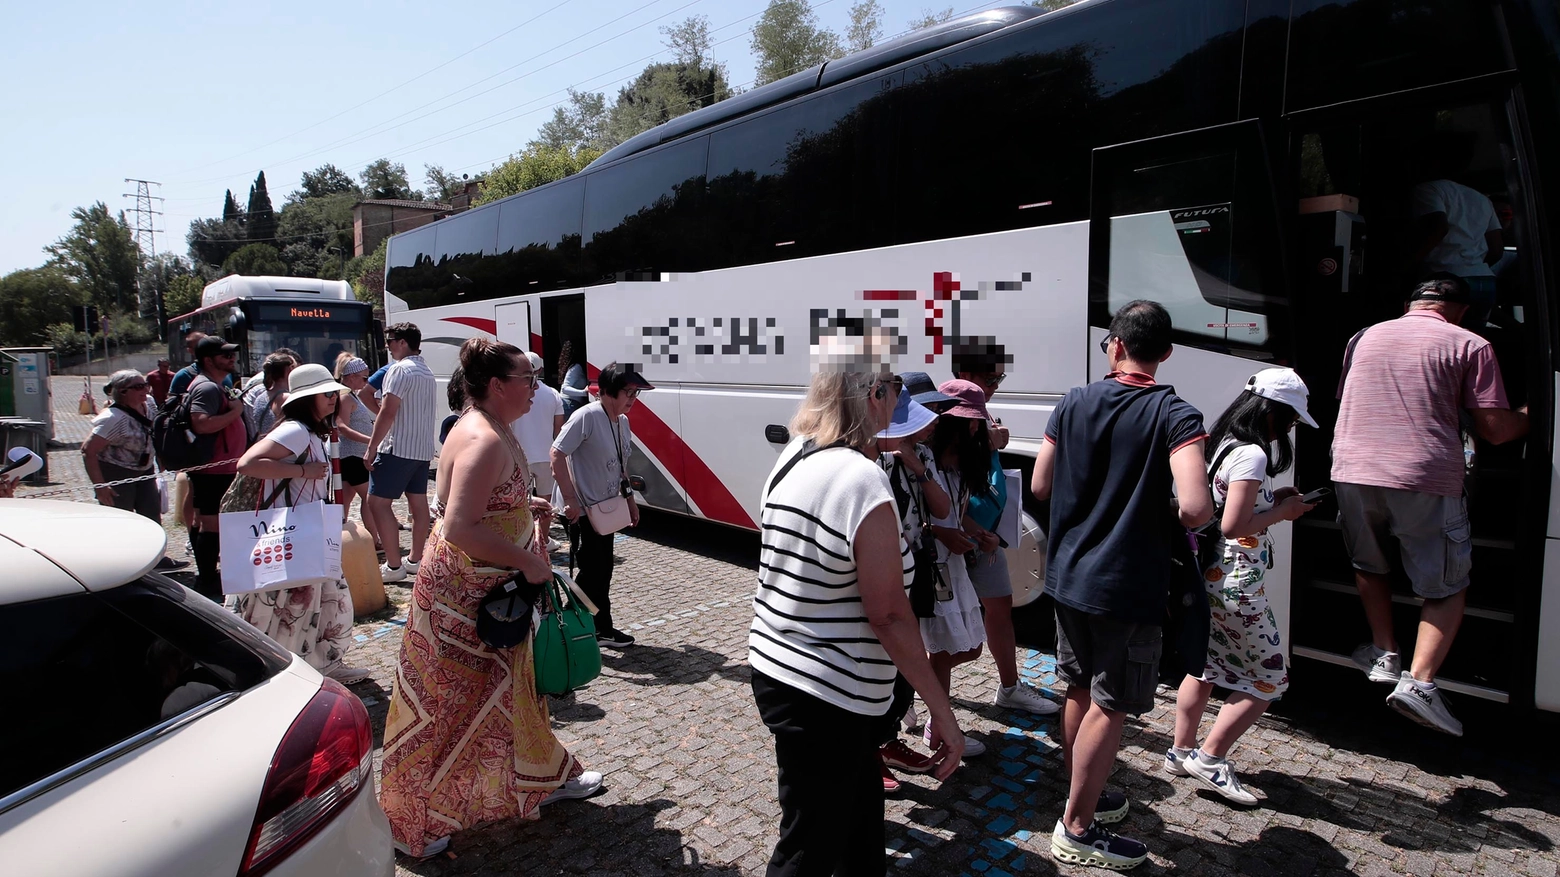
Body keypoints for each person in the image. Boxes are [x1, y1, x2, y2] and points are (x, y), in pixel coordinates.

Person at [379, 338, 601, 859]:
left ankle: (545, 773)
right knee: (448, 704)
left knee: (514, 692)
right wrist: (528, 560)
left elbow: (482, 498)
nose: (536, 388)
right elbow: (458, 524)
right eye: (527, 379)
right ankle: (415, 818)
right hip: (468, 596)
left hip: (482, 590)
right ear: (498, 385)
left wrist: (525, 503)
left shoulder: (484, 423)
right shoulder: (482, 437)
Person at [749, 338, 963, 876]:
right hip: (827, 691)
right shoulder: (860, 478)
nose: (896, 401)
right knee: (809, 845)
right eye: (892, 389)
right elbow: (889, 614)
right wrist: (941, 709)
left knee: (858, 822)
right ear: (874, 393)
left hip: (790, 672)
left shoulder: (794, 454)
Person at [1030, 300, 1212, 870]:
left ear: (1113, 345)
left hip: (1068, 576)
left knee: (1077, 689)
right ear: (1166, 352)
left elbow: (1040, 483)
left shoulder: (1072, 402)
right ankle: (1077, 828)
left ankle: (1080, 794)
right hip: (1126, 586)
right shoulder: (1176, 415)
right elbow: (1195, 508)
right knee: (1110, 704)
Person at [1333, 277, 1528, 736]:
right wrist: (1533, 414)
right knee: (1445, 586)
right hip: (1424, 476)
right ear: (1460, 310)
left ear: (1409, 304)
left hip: (1351, 466)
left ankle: (1385, 651)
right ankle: (1419, 683)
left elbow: (1349, 399)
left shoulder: (1363, 336)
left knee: (1369, 561)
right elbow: (1496, 430)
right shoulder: (1471, 343)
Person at [1168, 368, 1318, 805]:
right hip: (1237, 582)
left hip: (1210, 572)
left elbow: (1223, 506)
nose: (1290, 427)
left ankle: (1180, 751)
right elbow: (1235, 524)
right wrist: (1284, 513)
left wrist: (1273, 499)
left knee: (1206, 665)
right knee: (1270, 678)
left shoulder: (1224, 444)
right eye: (1290, 418)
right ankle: (1211, 758)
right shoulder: (1252, 454)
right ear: (1272, 412)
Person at [233, 364, 369, 685]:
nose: (334, 399)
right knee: (298, 610)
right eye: (326, 394)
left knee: (324, 604)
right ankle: (299, 672)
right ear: (307, 399)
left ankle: (320, 665)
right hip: (294, 533)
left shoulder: (309, 431)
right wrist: (303, 472)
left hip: (308, 530)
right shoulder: (294, 430)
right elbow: (248, 464)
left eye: (334, 393)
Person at [951, 343, 1058, 718]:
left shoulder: (982, 413)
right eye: (990, 378)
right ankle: (919, 693)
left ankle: (1010, 688)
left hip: (988, 537)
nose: (996, 384)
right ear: (966, 376)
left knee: (1000, 610)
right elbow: (943, 489)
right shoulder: (949, 416)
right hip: (962, 540)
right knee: (949, 630)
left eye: (1000, 377)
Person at [874, 381, 950, 792]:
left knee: (909, 653)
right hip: (882, 570)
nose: (933, 422)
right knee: (882, 657)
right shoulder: (873, 459)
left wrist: (918, 468)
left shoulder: (921, 455)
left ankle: (888, 742)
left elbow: (942, 508)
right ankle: (874, 746)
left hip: (917, 563)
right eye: (926, 413)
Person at [918, 380, 998, 759]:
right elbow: (905, 518)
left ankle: (927, 710)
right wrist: (941, 534)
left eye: (975, 422)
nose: (973, 428)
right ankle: (937, 727)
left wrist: (980, 533)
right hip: (926, 566)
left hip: (952, 568)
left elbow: (957, 511)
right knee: (946, 649)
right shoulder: (922, 459)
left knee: (965, 647)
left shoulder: (961, 463)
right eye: (967, 421)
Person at [551, 362, 649, 648]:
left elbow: (621, 467)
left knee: (601, 570)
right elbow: (556, 454)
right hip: (581, 509)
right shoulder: (587, 416)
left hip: (606, 509)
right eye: (627, 392)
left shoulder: (622, 421)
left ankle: (594, 627)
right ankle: (576, 626)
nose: (632, 398)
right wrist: (569, 499)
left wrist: (631, 501)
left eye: (635, 393)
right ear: (607, 391)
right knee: (593, 571)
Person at [83, 370, 184, 572]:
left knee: (151, 513)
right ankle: (123, 564)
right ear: (122, 392)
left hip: (144, 469)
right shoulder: (113, 418)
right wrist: (101, 486)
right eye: (138, 387)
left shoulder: (148, 404)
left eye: (145, 384)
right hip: (117, 472)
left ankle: (155, 559)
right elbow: (88, 450)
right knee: (122, 518)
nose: (145, 389)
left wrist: (160, 457)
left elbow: (153, 430)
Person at [365, 323, 437, 584]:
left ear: (403, 342)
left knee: (377, 503)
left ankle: (393, 565)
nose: (389, 346)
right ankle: (416, 560)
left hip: (398, 447)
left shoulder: (398, 369)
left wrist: (372, 447)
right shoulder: (426, 370)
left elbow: (388, 411)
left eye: (391, 341)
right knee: (417, 503)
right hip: (421, 449)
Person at [186, 336, 249, 601]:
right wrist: (236, 411)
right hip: (214, 470)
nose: (231, 359)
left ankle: (212, 578)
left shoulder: (216, 384)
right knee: (211, 525)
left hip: (221, 468)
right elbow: (200, 423)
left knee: (213, 524)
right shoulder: (206, 388)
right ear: (208, 360)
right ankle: (209, 582)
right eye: (224, 356)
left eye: (231, 354)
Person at [1411, 161, 1503, 330]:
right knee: (1472, 341)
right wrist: (1472, 265)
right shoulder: (1481, 198)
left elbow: (1438, 227)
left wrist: (1410, 263)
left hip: (1443, 282)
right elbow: (1496, 249)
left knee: (1439, 341)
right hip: (1483, 280)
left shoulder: (1428, 189)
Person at [333, 354, 380, 550]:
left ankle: (339, 538)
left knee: (344, 499)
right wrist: (370, 441)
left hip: (351, 455)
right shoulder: (345, 396)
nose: (366, 382)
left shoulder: (349, 395)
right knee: (370, 499)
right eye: (363, 378)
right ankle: (374, 540)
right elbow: (341, 426)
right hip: (353, 456)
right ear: (351, 376)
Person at [514, 351, 566, 499]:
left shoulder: (514, 396)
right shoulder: (553, 394)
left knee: (521, 502)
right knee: (546, 504)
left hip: (521, 457)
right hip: (545, 456)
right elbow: (558, 430)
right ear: (541, 370)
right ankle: (544, 524)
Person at [242, 352, 296, 442]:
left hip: (267, 448)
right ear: (289, 370)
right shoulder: (287, 399)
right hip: (285, 450)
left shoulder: (260, 398)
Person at [557, 340, 589, 418]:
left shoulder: (574, 367)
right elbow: (565, 388)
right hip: (569, 404)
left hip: (570, 404)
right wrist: (584, 392)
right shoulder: (576, 368)